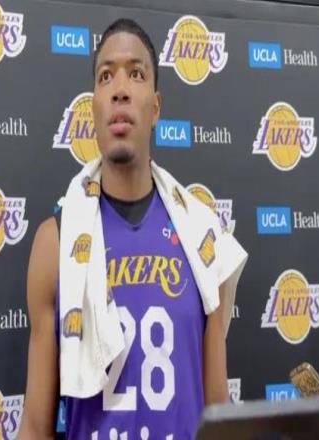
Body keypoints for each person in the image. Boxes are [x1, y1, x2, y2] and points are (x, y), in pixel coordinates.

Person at [18, 18, 246, 440]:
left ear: (155, 108)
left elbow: (218, 410)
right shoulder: (56, 242)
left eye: (136, 74)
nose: (120, 89)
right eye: (106, 76)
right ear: (93, 108)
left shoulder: (202, 236)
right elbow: (34, 428)